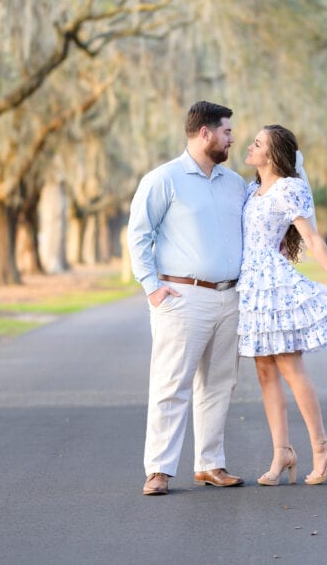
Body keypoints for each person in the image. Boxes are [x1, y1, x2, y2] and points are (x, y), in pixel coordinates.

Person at [127, 101, 248, 496]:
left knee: (219, 383)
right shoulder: (164, 179)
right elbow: (138, 235)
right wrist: (152, 287)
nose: (232, 139)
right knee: (171, 383)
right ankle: (159, 469)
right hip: (182, 296)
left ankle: (210, 464)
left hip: (229, 297)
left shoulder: (235, 184)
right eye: (227, 132)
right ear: (205, 133)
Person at [237, 124, 327, 486]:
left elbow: (312, 238)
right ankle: (282, 452)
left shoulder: (289, 188)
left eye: (257, 143)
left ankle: (321, 444)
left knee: (290, 365)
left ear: (273, 154)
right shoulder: (252, 190)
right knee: (264, 370)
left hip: (274, 285)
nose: (249, 146)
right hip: (252, 287)